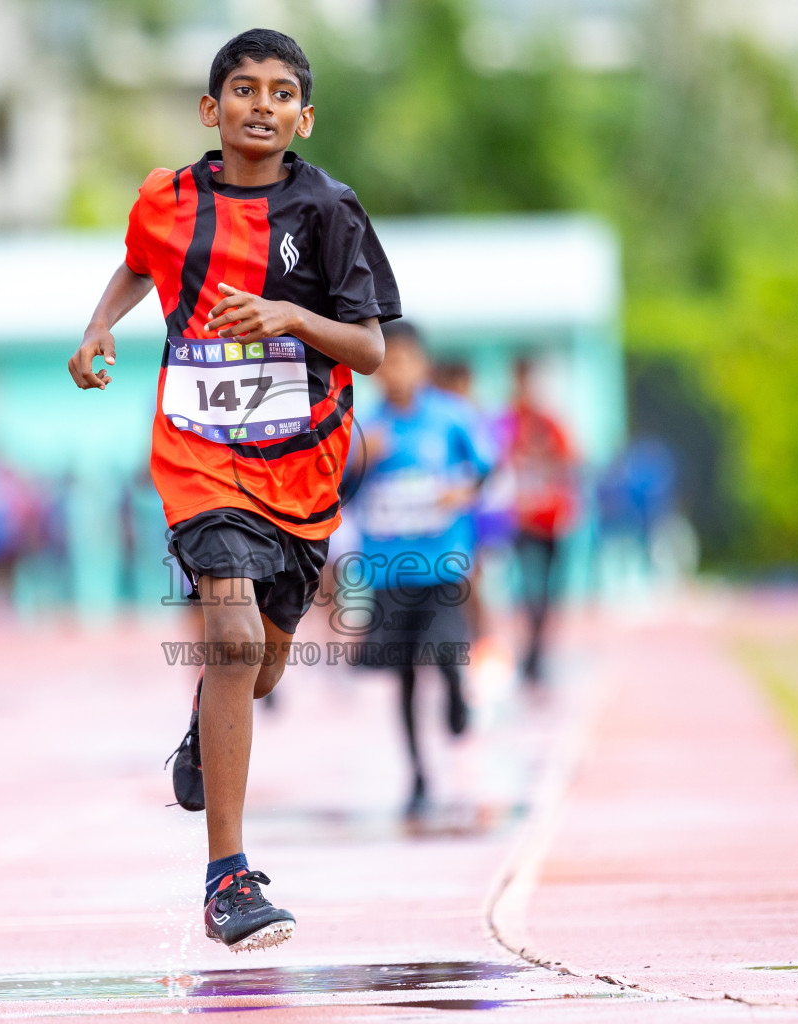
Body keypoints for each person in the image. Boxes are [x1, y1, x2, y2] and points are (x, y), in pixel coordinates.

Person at [67, 29, 399, 953]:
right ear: (212, 110)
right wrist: (99, 328)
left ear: (305, 115)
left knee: (262, 667)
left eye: (281, 91)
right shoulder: (168, 200)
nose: (262, 104)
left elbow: (369, 349)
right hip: (198, 454)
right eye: (242, 89)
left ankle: (199, 737)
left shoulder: (330, 211)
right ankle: (228, 881)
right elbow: (142, 260)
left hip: (302, 467)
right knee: (230, 632)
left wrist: (292, 314)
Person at [356, 323, 490, 817]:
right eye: (386, 363)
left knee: (445, 648)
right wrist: (366, 460)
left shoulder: (451, 418)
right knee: (405, 678)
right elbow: (338, 486)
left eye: (406, 360)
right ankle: (417, 774)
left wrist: (464, 491)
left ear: (423, 364)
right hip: (389, 572)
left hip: (443, 564)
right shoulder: (364, 426)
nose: (396, 372)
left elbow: (486, 469)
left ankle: (457, 695)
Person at [502, 356, 579, 685]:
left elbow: (570, 466)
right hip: (521, 522)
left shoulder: (551, 425)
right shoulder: (508, 424)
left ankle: (537, 654)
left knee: (548, 592)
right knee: (527, 589)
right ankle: (529, 654)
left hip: (552, 521)